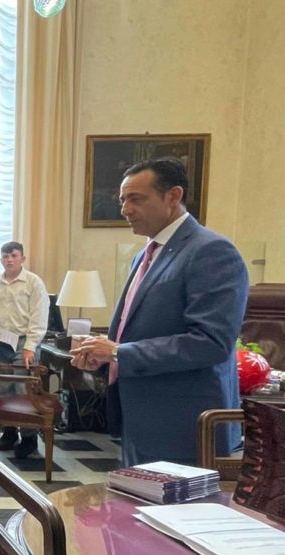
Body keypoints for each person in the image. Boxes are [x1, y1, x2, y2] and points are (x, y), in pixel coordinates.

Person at [71, 157, 249, 467]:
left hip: (184, 427)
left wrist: (119, 353)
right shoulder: (144, 254)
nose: (125, 209)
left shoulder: (211, 251)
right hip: (140, 421)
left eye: (136, 199)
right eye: (122, 200)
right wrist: (105, 357)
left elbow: (211, 342)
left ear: (173, 196)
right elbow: (138, 329)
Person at [0, 241, 49, 459]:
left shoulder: (33, 282)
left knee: (23, 389)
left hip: (23, 342)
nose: (9, 260)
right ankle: (9, 432)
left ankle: (29, 437)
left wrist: (31, 346)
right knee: (3, 388)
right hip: (0, 342)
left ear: (22, 258)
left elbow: (39, 315)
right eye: (5, 256)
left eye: (13, 255)